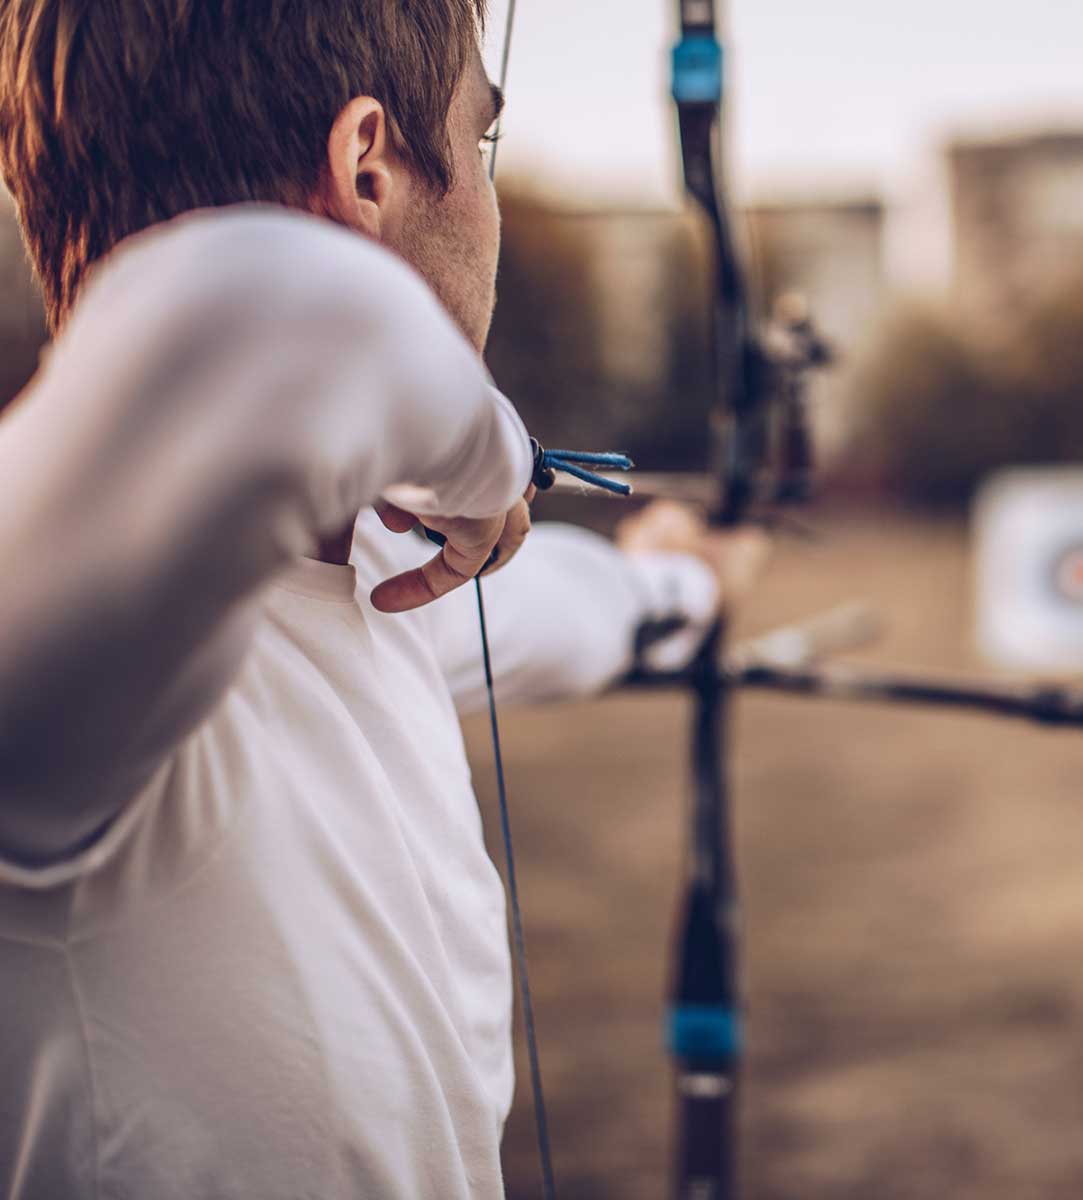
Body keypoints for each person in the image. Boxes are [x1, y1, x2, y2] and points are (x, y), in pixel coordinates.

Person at [0, 1, 766, 1196]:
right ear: (367, 168)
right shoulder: (61, 637)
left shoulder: (370, 582)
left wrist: (675, 583)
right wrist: (490, 455)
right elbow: (276, 309)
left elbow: (548, 614)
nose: (490, 210)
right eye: (483, 146)